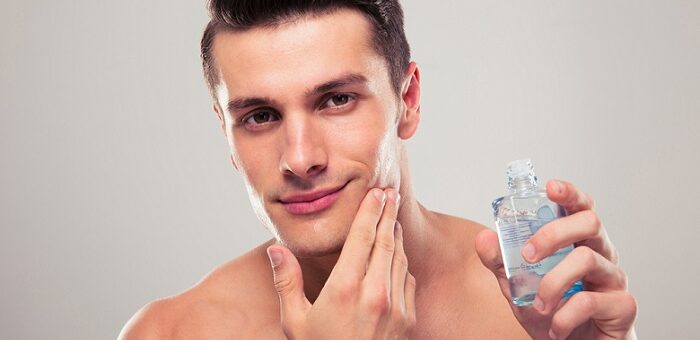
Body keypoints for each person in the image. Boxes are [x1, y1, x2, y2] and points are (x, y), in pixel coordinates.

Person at [119, 1, 637, 339]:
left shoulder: (532, 311)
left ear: (407, 100)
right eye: (260, 116)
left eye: (337, 100)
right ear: (226, 134)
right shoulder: (169, 333)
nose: (300, 158)